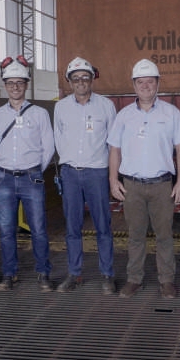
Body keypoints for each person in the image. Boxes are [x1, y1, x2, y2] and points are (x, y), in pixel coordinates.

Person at [107, 59, 180, 299]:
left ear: (157, 84)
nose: (145, 86)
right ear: (134, 85)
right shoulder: (123, 116)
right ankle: (134, 279)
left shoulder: (171, 113)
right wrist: (114, 180)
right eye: (140, 82)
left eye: (149, 82)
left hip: (162, 186)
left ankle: (166, 281)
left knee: (164, 236)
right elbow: (114, 150)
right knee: (135, 236)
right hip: (132, 186)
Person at [0, 55, 55, 292]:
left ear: (26, 84)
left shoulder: (39, 114)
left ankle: (43, 273)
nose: (15, 87)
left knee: (38, 229)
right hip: (4, 178)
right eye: (10, 83)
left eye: (19, 82)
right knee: (6, 231)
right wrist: (7, 164)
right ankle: (9, 274)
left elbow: (48, 146)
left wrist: (36, 169)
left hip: (31, 178)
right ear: (5, 86)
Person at [54, 57, 117, 294]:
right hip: (71, 173)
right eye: (76, 78)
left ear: (92, 79)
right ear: (69, 81)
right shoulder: (61, 107)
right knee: (72, 227)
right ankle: (74, 273)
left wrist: (111, 176)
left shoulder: (106, 106)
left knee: (103, 225)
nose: (81, 82)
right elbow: (59, 139)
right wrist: (70, 163)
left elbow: (114, 144)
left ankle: (107, 274)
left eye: (85, 77)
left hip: (97, 173)